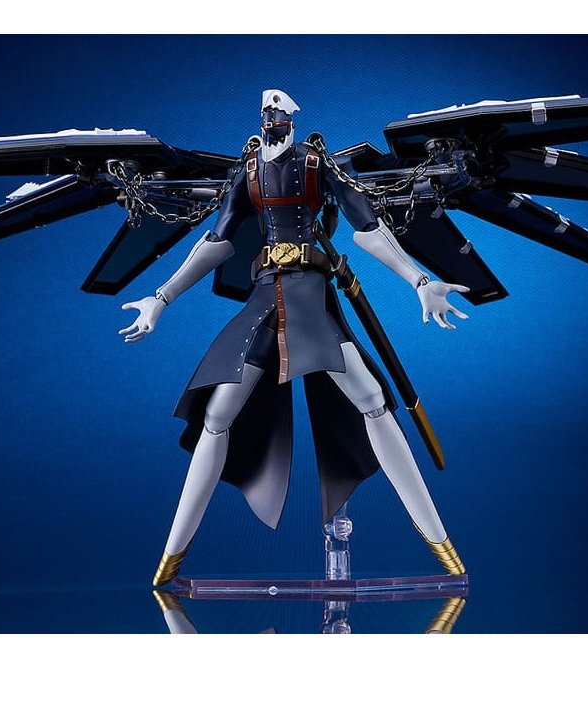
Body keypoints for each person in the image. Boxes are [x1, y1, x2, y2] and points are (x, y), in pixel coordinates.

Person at [119, 90, 469, 586]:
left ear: (293, 121)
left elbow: (367, 228)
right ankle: (169, 563)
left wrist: (419, 280)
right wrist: (162, 297)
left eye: (281, 116)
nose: (273, 122)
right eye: (268, 116)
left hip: (309, 296)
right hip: (265, 298)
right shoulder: (249, 172)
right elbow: (217, 240)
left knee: (372, 398)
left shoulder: (316, 164)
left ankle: (442, 547)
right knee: (217, 415)